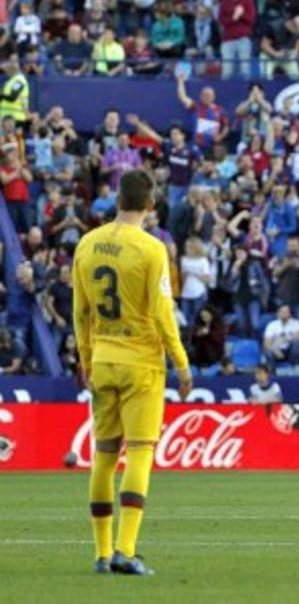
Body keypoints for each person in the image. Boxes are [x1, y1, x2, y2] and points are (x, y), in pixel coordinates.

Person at [73, 169, 190, 576]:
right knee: (139, 452)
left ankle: (102, 554)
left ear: (117, 200)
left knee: (103, 458)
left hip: (103, 359)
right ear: (151, 205)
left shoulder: (86, 245)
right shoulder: (152, 249)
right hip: (141, 363)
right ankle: (126, 549)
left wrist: (87, 359)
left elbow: (80, 312)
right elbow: (162, 313)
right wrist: (181, 361)